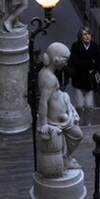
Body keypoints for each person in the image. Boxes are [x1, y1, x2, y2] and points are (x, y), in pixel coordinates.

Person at [36, 42, 83, 176]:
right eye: (65, 60)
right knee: (77, 135)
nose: (66, 63)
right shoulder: (50, 79)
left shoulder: (45, 73)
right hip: (57, 120)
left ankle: (66, 158)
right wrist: (43, 124)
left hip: (62, 115)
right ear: (56, 59)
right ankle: (65, 158)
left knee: (75, 136)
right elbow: (43, 102)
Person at [67, 28, 100, 126]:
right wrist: (90, 62)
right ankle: (77, 121)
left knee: (89, 105)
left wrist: (84, 63)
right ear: (80, 36)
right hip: (78, 80)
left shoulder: (95, 46)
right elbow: (75, 62)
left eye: (89, 34)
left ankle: (88, 123)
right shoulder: (76, 46)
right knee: (79, 105)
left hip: (90, 81)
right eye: (85, 34)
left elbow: (97, 63)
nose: (87, 36)